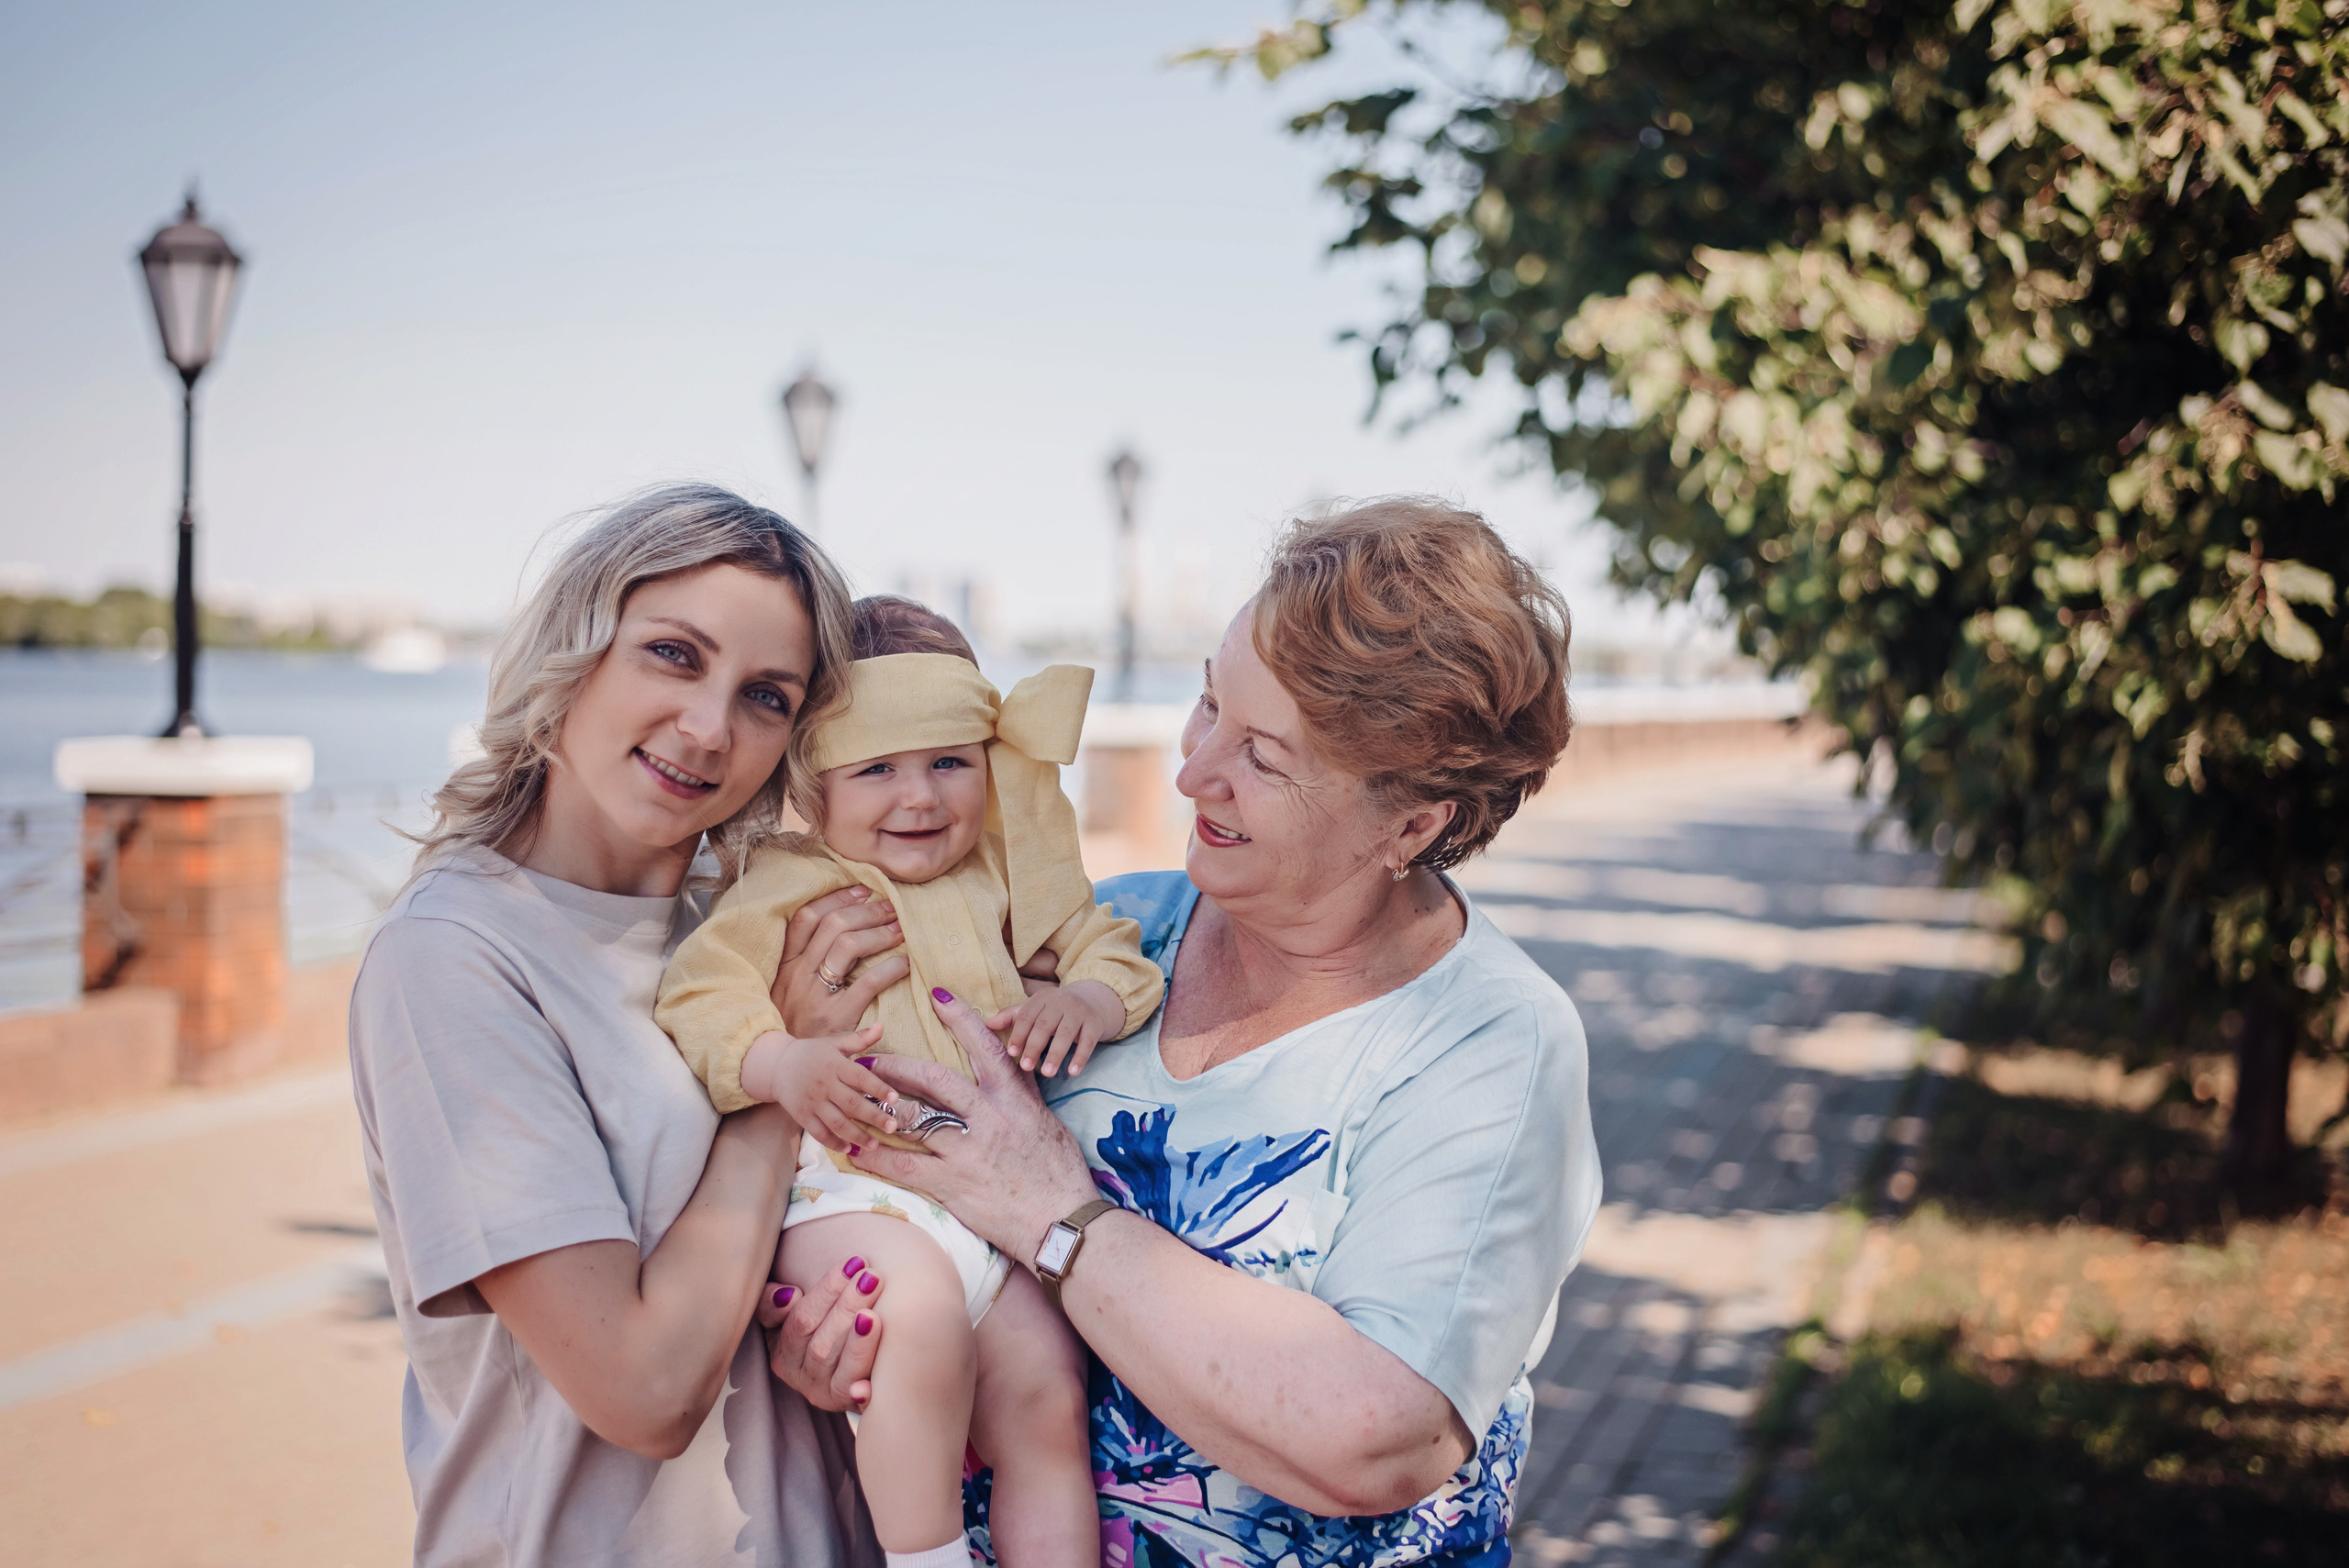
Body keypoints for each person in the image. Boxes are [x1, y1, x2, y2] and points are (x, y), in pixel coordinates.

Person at [785, 497, 1605, 1568]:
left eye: (1263, 755)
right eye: (1208, 703)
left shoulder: (1490, 1043)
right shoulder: (1098, 930)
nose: (1191, 770)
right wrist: (850, 1331)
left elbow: (1376, 1438)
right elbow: (880, 1197)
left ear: (1411, 821)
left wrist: (1054, 1212)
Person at [348, 484, 893, 1568]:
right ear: (576, 648)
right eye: (674, 655)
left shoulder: (753, 928)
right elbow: (641, 1388)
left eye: (766, 696)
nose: (708, 728)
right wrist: (779, 1079)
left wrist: (837, 1332)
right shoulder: (457, 956)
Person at [655, 596, 1163, 1568]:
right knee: (919, 1321)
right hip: (846, 1192)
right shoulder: (789, 883)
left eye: (947, 761)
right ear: (815, 784)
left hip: (988, 1211)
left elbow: (1105, 945)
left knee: (1047, 1394)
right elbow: (701, 991)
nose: (919, 798)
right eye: (877, 769)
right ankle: (924, 1556)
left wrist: (1088, 1002)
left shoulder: (1005, 882)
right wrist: (785, 1059)